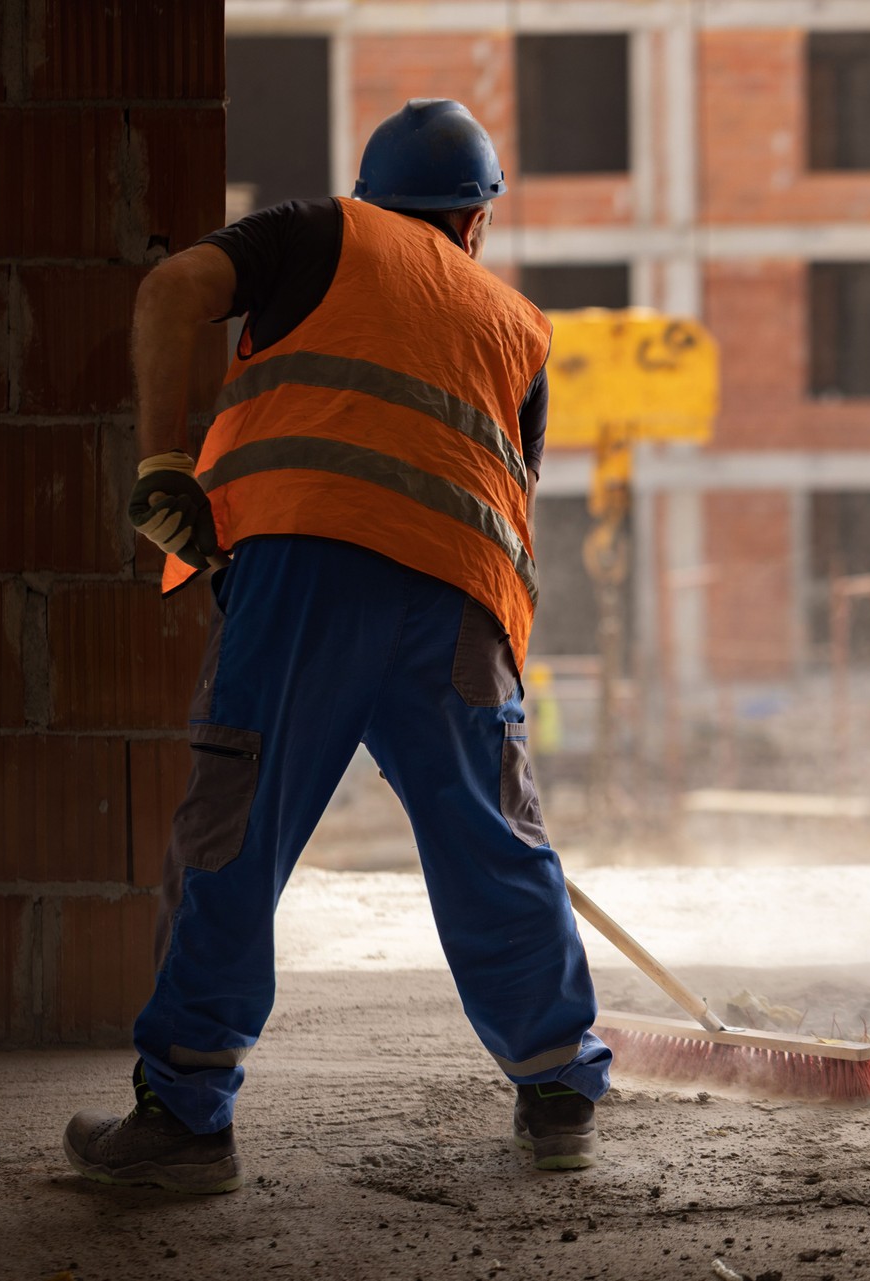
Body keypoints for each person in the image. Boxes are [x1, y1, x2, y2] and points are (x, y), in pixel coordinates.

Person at [62, 99, 611, 1195]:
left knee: (238, 823)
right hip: (460, 598)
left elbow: (174, 290)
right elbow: (504, 488)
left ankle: (185, 1117)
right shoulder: (522, 328)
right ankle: (557, 1089)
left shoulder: (321, 233)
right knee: (495, 838)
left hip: (310, 575)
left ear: (374, 197)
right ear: (477, 222)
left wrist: (163, 466)